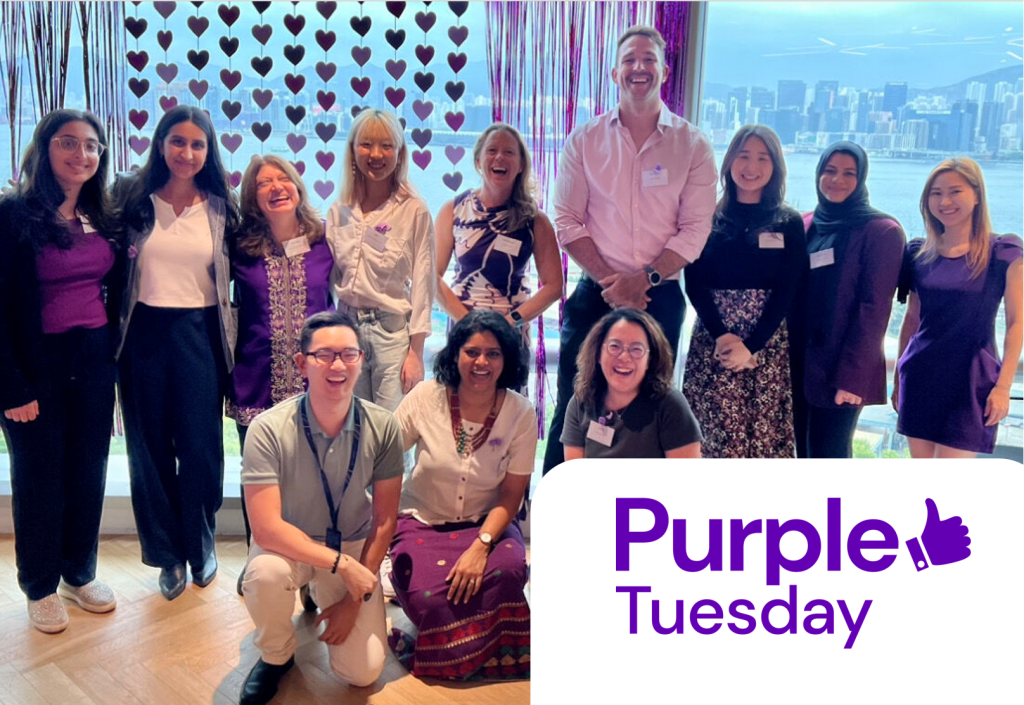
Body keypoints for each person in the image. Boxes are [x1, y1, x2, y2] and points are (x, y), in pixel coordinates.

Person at [543, 24, 717, 473]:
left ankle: (640, 517)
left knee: (650, 407)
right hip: (595, 292)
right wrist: (613, 282)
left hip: (659, 295)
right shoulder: (584, 139)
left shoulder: (693, 144)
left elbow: (695, 229)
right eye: (630, 60)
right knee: (573, 400)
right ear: (615, 71)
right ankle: (557, 516)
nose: (639, 67)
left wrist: (645, 279)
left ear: (664, 70)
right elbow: (566, 220)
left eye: (648, 60)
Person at [239, 311, 402, 704]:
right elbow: (265, 530)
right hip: (290, 544)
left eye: (348, 354)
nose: (338, 365)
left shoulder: (383, 425)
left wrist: (353, 598)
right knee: (264, 575)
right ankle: (277, 656)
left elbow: (384, 521)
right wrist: (342, 568)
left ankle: (316, 592)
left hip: (353, 545)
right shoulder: (267, 428)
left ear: (362, 359)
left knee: (361, 674)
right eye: (323, 355)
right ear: (301, 364)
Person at [114, 105, 240, 600]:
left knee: (202, 447)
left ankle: (200, 540)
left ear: (208, 152)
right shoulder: (130, 198)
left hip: (200, 331)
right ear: (161, 144)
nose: (187, 153)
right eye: (178, 141)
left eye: (197, 144)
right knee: (148, 450)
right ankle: (167, 556)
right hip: (141, 332)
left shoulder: (220, 206)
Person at [0, 109, 119, 633]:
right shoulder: (12, 215)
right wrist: (11, 384)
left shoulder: (101, 214)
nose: (82, 155)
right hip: (36, 364)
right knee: (39, 475)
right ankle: (41, 585)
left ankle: (78, 570)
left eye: (92, 146)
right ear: (44, 149)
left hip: (93, 358)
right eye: (69, 143)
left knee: (88, 468)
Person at [389, 310, 535, 679]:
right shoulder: (426, 397)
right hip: (422, 521)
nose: (481, 362)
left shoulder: (521, 413)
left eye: (494, 353)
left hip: (488, 523)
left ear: (508, 360)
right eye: (472, 351)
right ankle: (481, 647)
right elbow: (382, 460)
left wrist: (482, 544)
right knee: (430, 596)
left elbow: (512, 495)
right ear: (455, 354)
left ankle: (450, 651)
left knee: (508, 572)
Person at [228, 155, 335, 594]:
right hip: (255, 379)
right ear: (252, 197)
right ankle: (261, 563)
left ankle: (311, 571)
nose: (275, 187)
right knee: (259, 477)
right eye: (263, 183)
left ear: (297, 185)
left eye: (283, 178)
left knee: (312, 477)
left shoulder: (324, 239)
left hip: (315, 384)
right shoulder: (238, 245)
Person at [682, 125, 806, 457]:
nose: (752, 167)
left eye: (762, 158)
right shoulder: (706, 217)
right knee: (713, 433)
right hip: (714, 336)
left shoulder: (788, 221)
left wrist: (751, 346)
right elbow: (693, 281)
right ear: (729, 162)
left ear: (775, 166)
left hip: (765, 342)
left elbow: (788, 288)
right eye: (744, 155)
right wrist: (723, 336)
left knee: (762, 439)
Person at [894, 158, 1024, 457]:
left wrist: (1004, 387)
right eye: (936, 193)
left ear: (977, 195)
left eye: (955, 191)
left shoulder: (1003, 252)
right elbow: (912, 319)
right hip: (920, 375)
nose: (945, 201)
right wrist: (899, 376)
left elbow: (1017, 324)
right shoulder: (918, 253)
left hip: (972, 380)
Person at [794, 141, 905, 458]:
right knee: (801, 452)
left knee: (830, 454)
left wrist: (852, 380)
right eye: (829, 171)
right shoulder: (807, 223)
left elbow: (873, 313)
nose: (836, 180)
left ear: (861, 178)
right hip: (799, 362)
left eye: (848, 173)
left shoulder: (881, 231)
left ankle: (836, 509)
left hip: (841, 370)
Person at [327, 108, 436, 413]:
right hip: (346, 329)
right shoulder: (340, 210)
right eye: (367, 144)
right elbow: (329, 278)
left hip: (391, 334)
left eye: (386, 145)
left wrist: (416, 353)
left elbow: (423, 285)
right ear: (352, 150)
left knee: (393, 435)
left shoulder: (414, 210)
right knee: (352, 429)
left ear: (400, 154)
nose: (376, 154)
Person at [435, 122, 563, 333]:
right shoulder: (453, 210)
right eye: (492, 150)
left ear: (521, 164)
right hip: (464, 329)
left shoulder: (534, 220)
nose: (499, 157)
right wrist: (468, 322)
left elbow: (553, 286)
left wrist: (510, 322)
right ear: (478, 161)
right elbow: (433, 278)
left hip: (510, 332)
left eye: (509, 152)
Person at [562, 309, 702, 459]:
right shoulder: (581, 402)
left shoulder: (670, 405)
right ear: (597, 354)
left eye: (636, 349)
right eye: (615, 346)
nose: (624, 357)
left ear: (650, 359)